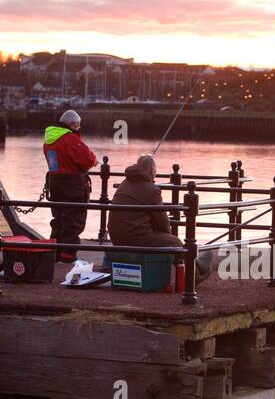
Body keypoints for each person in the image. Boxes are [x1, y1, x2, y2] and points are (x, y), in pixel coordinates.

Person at [107, 153, 214, 281]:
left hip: (116, 237)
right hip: (136, 237)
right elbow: (164, 225)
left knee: (168, 240)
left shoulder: (124, 183)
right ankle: (194, 278)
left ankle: (196, 263)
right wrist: (165, 235)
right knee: (176, 243)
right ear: (152, 171)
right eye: (155, 171)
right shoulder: (152, 190)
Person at [43, 109, 97, 261]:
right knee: (73, 219)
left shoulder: (49, 140)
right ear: (73, 125)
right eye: (78, 126)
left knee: (58, 218)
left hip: (55, 183)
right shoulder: (69, 139)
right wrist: (94, 160)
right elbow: (86, 158)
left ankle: (55, 253)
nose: (79, 128)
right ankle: (68, 255)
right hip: (72, 185)